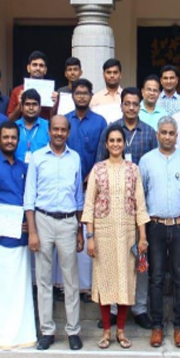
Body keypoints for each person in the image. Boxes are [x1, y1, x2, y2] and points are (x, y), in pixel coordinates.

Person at [83, 126, 150, 349]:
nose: (115, 144)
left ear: (124, 143)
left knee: (125, 281)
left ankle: (121, 331)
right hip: (103, 234)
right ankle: (106, 331)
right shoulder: (98, 169)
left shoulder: (133, 170)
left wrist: (142, 237)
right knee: (104, 281)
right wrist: (90, 237)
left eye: (119, 140)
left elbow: (140, 204)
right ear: (106, 144)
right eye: (111, 140)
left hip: (128, 234)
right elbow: (89, 205)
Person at [94, 87, 156, 328]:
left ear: (140, 106)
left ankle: (139, 308)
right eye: (127, 103)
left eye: (135, 104)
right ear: (121, 105)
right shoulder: (111, 130)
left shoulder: (148, 132)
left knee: (138, 260)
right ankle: (111, 308)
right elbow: (100, 162)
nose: (131, 107)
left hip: (139, 205)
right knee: (112, 260)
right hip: (112, 208)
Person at [25, 116, 85, 351]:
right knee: (43, 279)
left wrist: (79, 230)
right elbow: (29, 196)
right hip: (43, 220)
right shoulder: (38, 157)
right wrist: (32, 231)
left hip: (68, 221)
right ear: (49, 131)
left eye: (63, 130)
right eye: (55, 129)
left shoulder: (75, 158)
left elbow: (78, 196)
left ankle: (73, 331)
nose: (59, 133)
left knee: (71, 279)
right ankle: (47, 331)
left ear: (68, 132)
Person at [0, 121, 37, 350]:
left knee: (19, 289)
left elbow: (29, 200)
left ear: (18, 140)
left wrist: (29, 225)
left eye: (13, 138)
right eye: (6, 137)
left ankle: (22, 334)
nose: (10, 141)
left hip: (19, 237)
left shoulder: (24, 168)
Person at [139, 116, 180, 349]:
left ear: (176, 135)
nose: (168, 137)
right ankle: (157, 326)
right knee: (156, 278)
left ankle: (179, 326)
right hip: (156, 227)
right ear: (157, 134)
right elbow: (141, 196)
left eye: (171, 133)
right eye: (164, 132)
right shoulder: (146, 161)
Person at [65, 79, 107, 301]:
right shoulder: (65, 121)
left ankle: (90, 286)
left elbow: (102, 151)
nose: (81, 96)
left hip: (93, 184)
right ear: (72, 95)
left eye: (85, 93)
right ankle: (69, 286)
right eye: (78, 93)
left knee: (90, 231)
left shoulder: (100, 122)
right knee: (70, 232)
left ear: (91, 95)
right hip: (67, 186)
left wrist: (92, 174)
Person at [7, 50, 51, 122]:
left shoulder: (51, 92)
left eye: (41, 65)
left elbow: (54, 120)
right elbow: (9, 120)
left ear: (45, 70)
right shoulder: (17, 91)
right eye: (34, 65)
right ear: (28, 68)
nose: (38, 68)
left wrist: (54, 105)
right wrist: (19, 105)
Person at [15, 88, 49, 163]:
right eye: (27, 104)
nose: (31, 108)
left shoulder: (48, 127)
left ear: (40, 108)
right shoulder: (13, 127)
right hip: (17, 169)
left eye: (34, 104)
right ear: (21, 107)